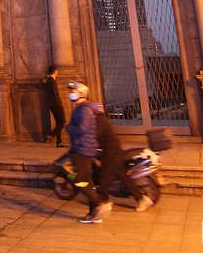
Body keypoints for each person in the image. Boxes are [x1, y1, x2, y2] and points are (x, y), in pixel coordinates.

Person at [64, 82, 107, 223]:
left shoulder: (84, 110)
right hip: (81, 148)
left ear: (81, 93)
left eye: (74, 90)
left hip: (83, 149)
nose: (71, 93)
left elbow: (82, 128)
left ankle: (98, 203)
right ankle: (94, 213)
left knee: (79, 180)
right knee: (85, 181)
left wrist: (69, 128)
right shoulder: (82, 108)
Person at [95, 108, 152, 211]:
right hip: (114, 151)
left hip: (110, 153)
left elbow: (95, 135)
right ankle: (142, 199)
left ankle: (102, 202)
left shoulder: (99, 121)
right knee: (124, 177)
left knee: (105, 177)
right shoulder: (102, 120)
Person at [43, 65, 65, 148]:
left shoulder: (48, 80)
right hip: (56, 105)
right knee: (62, 122)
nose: (58, 72)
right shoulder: (52, 81)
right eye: (57, 71)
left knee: (59, 123)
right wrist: (59, 104)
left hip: (52, 105)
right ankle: (52, 134)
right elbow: (55, 94)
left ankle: (59, 142)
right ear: (55, 71)